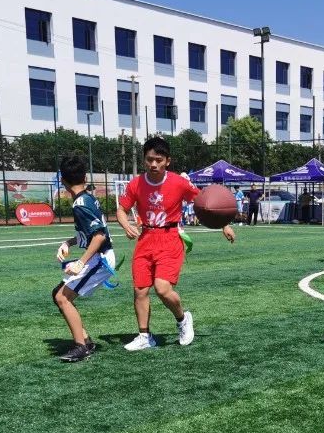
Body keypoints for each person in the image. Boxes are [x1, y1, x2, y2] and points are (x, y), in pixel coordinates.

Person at [116, 136, 235, 351]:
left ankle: (183, 319)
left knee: (162, 289)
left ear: (167, 161)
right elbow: (121, 210)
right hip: (145, 240)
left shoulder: (179, 183)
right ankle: (144, 336)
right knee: (140, 290)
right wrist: (126, 225)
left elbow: (205, 203)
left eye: (158, 160)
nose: (153, 164)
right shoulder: (136, 184)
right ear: (144, 160)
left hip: (170, 239)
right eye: (149, 159)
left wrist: (223, 224)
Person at [53, 156, 116, 363]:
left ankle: (81, 346)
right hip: (98, 256)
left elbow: (99, 236)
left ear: (63, 181)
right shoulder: (86, 198)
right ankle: (86, 341)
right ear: (85, 177)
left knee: (62, 298)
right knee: (58, 294)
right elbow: (91, 233)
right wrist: (68, 242)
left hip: (100, 258)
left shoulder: (80, 204)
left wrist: (80, 262)